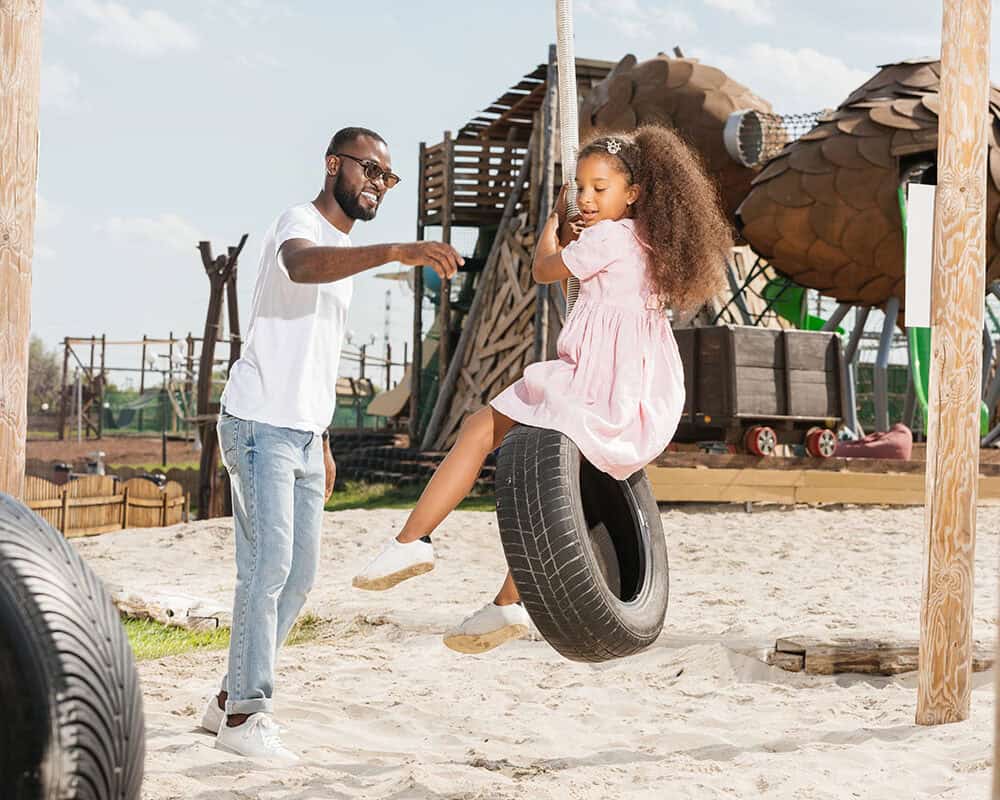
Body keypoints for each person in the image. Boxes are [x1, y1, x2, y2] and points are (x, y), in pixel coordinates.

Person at [352, 125, 731, 654]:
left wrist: (555, 221)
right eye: (580, 187)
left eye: (601, 189)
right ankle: (506, 604)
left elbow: (543, 269)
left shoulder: (608, 236)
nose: (587, 198)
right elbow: (585, 282)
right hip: (639, 388)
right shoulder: (651, 239)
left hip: (593, 378)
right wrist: (576, 232)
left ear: (633, 193)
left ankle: (411, 542)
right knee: (555, 498)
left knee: (480, 429)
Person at [200, 126, 463, 761]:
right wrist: (397, 249)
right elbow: (300, 265)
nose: (377, 184)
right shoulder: (301, 226)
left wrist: (322, 435)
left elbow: (313, 357)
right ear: (332, 166)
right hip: (260, 423)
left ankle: (225, 699)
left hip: (302, 433)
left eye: (386, 178)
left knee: (298, 579)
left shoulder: (342, 253)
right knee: (267, 572)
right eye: (369, 171)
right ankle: (245, 717)